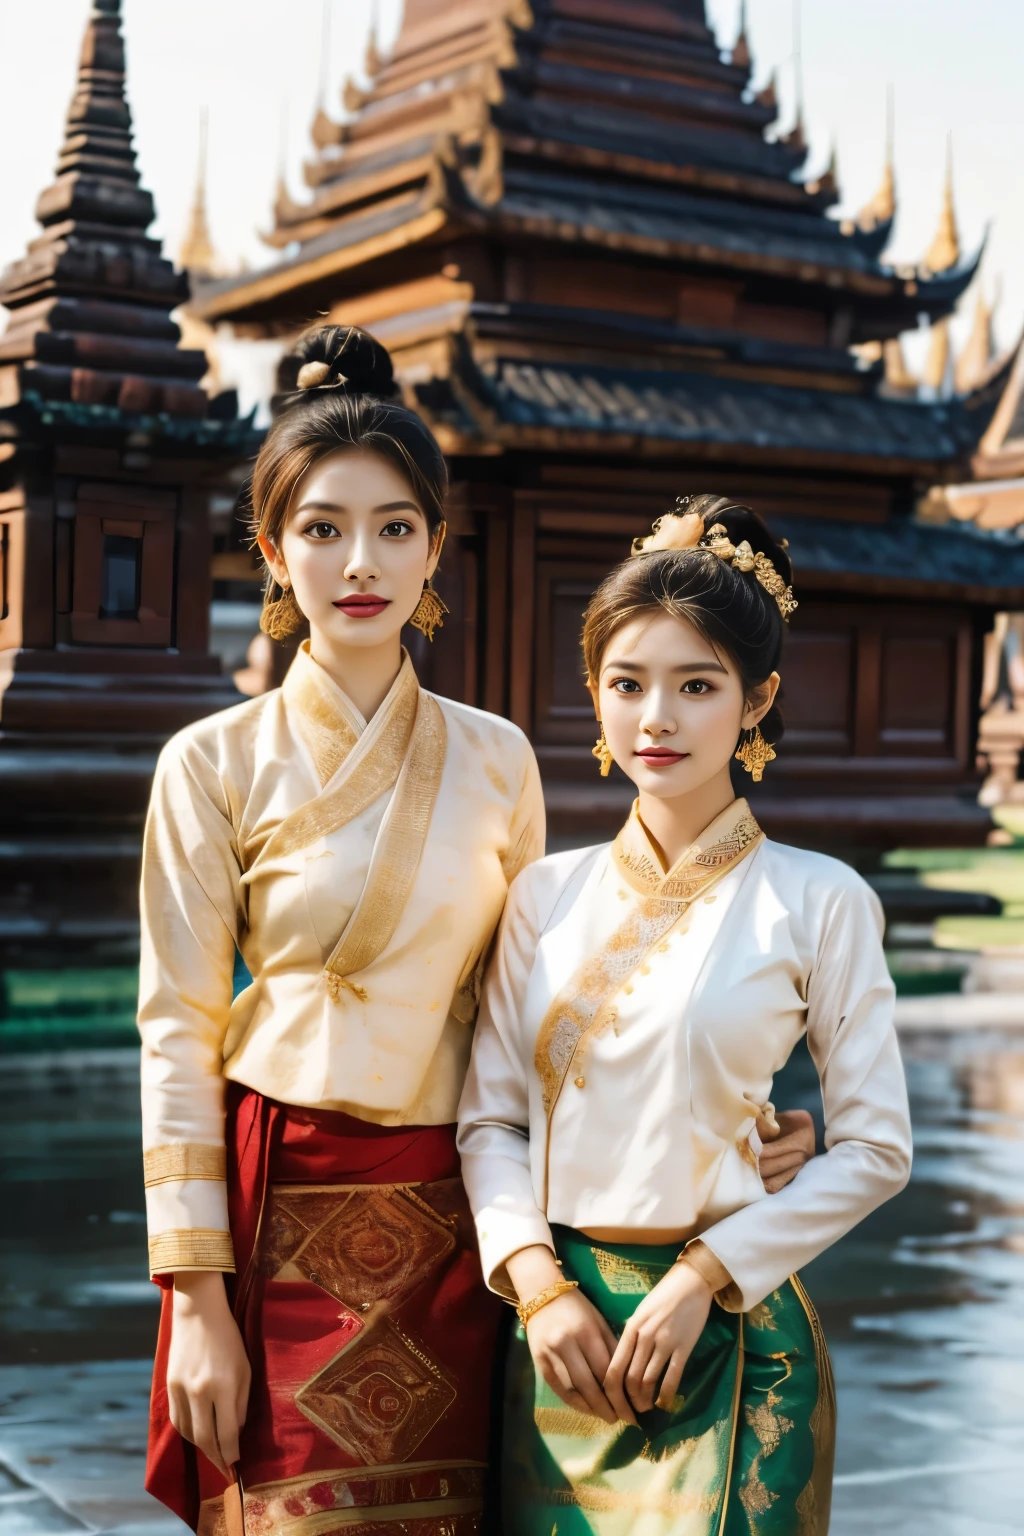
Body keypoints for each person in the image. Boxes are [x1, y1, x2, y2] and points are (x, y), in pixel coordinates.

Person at [139, 326, 548, 1534]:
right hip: (275, 1217)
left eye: (393, 527)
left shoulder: (497, 757)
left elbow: (535, 1017)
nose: (358, 561)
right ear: (272, 550)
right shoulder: (212, 763)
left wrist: (736, 1122)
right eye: (322, 527)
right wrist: (197, 1302)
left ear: (434, 546)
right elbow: (175, 1029)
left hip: (455, 1218)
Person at [457, 496, 913, 1535]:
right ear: (595, 696)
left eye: (695, 685)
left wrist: (710, 1273)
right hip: (560, 1339)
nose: (655, 717)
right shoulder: (543, 894)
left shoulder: (819, 898)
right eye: (627, 684)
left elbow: (877, 1150)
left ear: (756, 702)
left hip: (733, 1335)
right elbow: (491, 1120)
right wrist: (538, 1287)